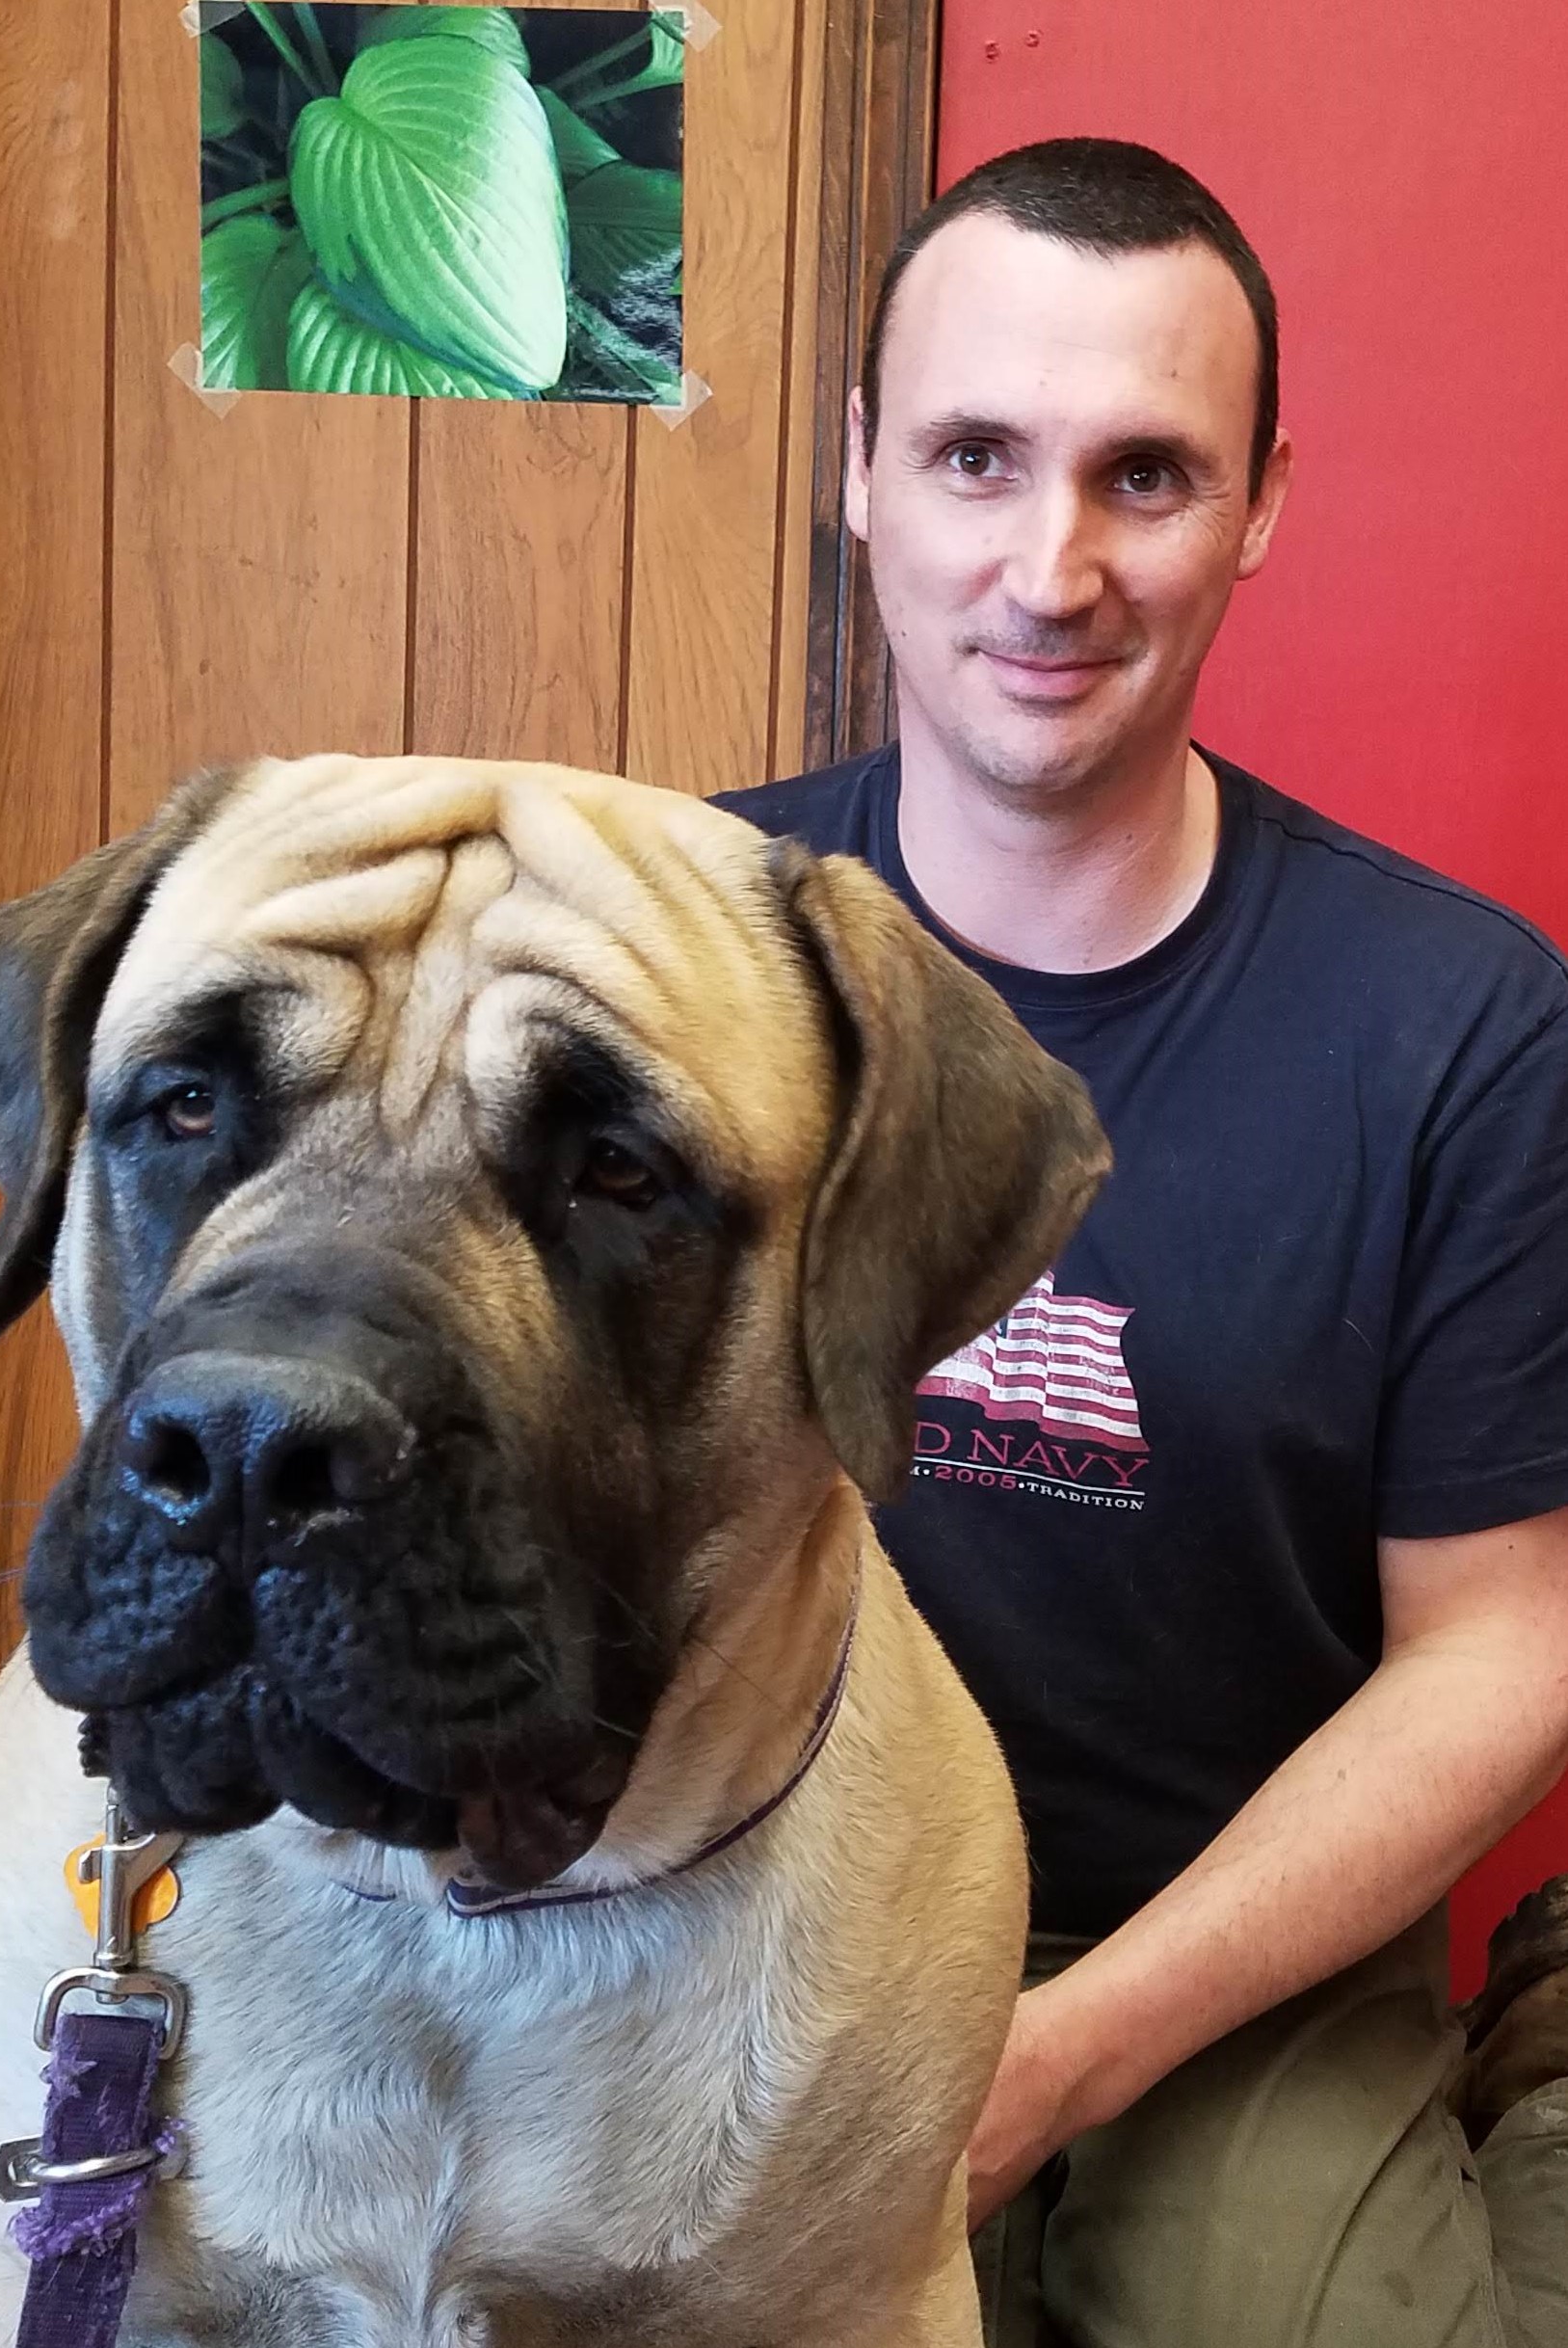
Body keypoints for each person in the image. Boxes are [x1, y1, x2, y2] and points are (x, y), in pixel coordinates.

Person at [716, 139, 1568, 2348]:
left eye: (1145, 475)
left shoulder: (1458, 1027)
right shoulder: (664, 953)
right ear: (860, 470)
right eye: (973, 457)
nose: (1049, 567)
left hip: (1219, 1924)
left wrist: (1057, 2057)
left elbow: (1499, 1649)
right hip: (738, 1897)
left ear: (1258, 502)